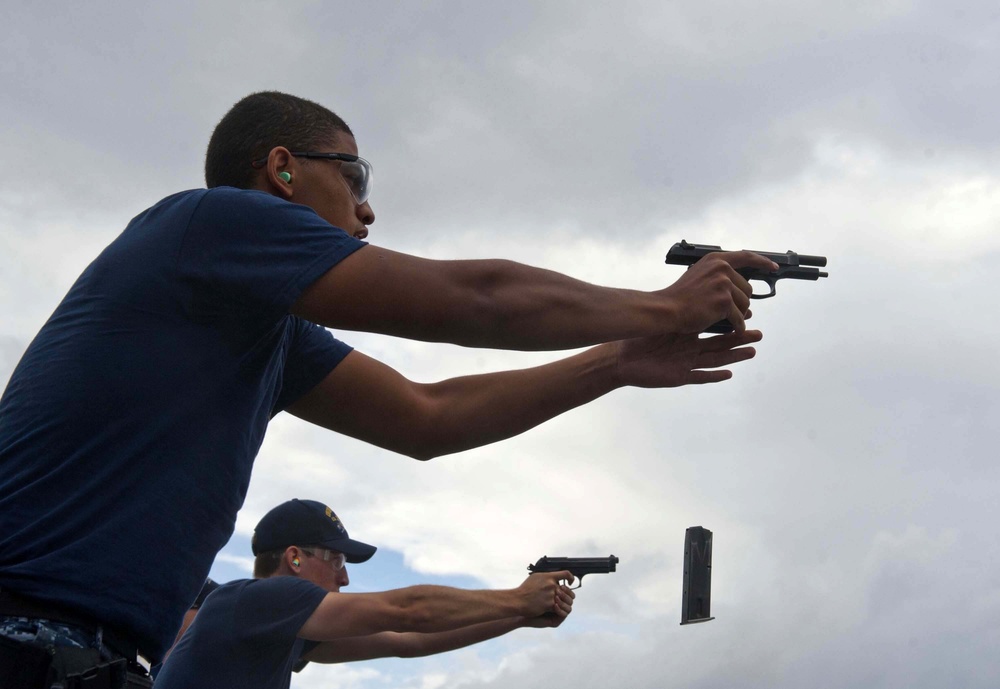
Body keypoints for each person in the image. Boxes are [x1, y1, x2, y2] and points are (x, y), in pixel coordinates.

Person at [0, 91, 777, 681]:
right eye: (354, 174)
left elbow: (425, 415)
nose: (368, 208)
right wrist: (666, 303)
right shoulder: (212, 222)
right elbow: (475, 298)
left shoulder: (265, 331)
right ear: (281, 170)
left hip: (80, 656)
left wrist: (616, 361)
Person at [154, 499, 576, 689]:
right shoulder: (261, 599)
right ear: (294, 558)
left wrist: (521, 617)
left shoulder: (275, 625)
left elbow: (406, 642)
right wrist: (516, 600)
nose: (345, 579)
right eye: (337, 560)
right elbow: (406, 612)